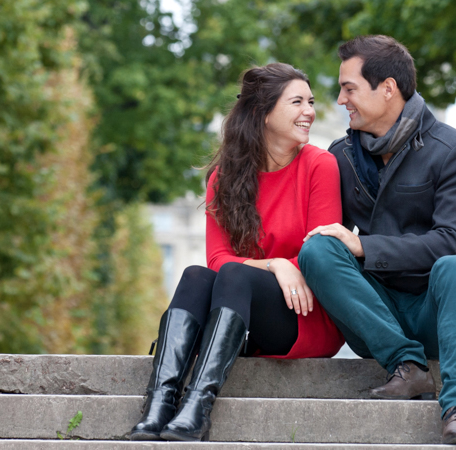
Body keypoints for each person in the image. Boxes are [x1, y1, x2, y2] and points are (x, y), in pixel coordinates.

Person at [129, 63, 344, 442]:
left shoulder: (321, 166)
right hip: (241, 317)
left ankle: (198, 407)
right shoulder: (223, 178)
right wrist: (277, 264)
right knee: (198, 275)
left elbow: (324, 255)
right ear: (263, 113)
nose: (309, 111)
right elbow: (217, 259)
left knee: (234, 273)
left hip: (306, 313)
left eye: (310, 101)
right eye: (297, 102)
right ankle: (159, 405)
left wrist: (286, 268)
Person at [298, 35, 456, 445]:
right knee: (316, 247)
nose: (339, 99)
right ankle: (406, 365)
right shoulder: (340, 156)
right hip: (374, 316)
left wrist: (367, 246)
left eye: (349, 88)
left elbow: (450, 242)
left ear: (388, 88)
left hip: (434, 313)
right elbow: (327, 245)